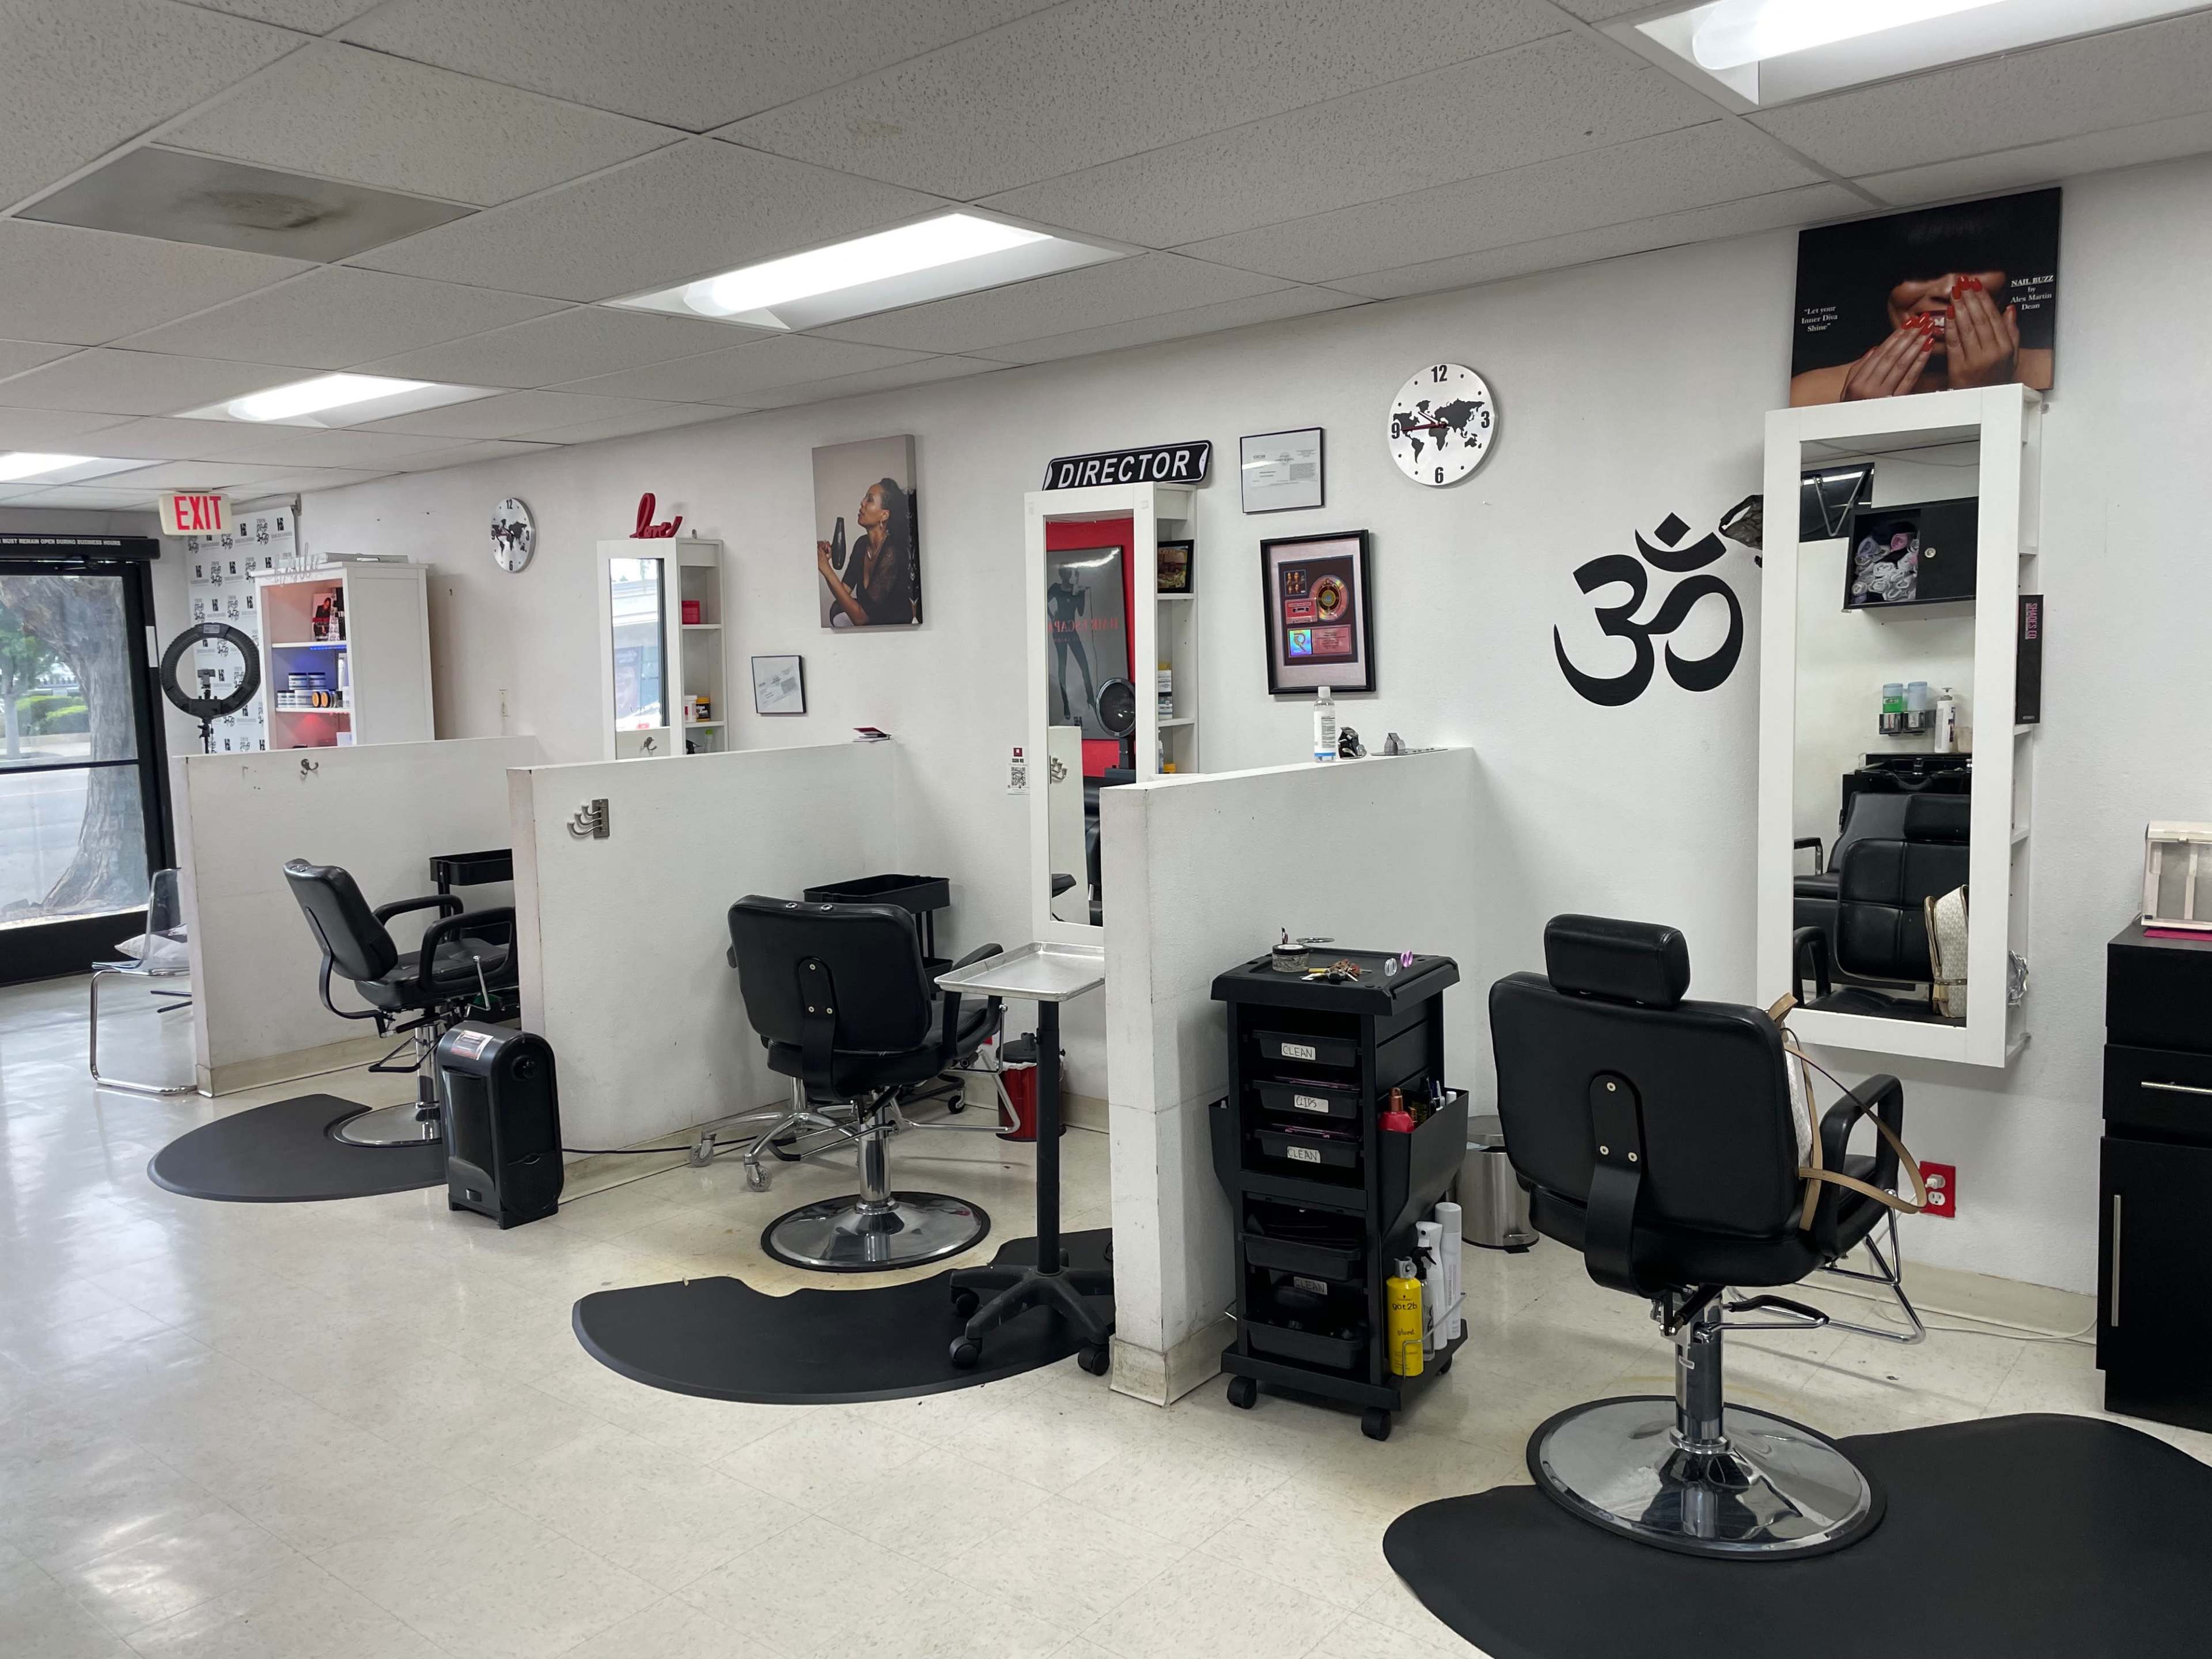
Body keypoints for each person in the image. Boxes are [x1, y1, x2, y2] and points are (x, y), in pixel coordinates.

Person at [1789, 198, 2055, 406]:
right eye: (1920, 271)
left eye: (1977, 265)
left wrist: (1985, 397)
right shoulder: (1809, 393)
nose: (1950, 290)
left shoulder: (2051, 372)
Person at [817, 478, 915, 627]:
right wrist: (826, 563)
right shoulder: (862, 545)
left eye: (869, 500)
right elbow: (843, 591)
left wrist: (826, 569)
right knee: (837, 609)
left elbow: (861, 618)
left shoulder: (892, 553)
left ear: (884, 515)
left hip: (896, 634)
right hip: (870, 629)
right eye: (865, 498)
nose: (862, 503)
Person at [1045, 564, 1097, 725]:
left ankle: (1091, 698)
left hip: (1072, 630)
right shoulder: (1055, 588)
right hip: (1059, 631)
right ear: (1062, 575)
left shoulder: (1077, 590)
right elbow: (1042, 602)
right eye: (1066, 573)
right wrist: (1051, 617)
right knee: (1063, 666)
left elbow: (1080, 612)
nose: (1068, 576)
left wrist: (1079, 590)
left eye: (1071, 573)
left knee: (1084, 664)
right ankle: (1066, 704)